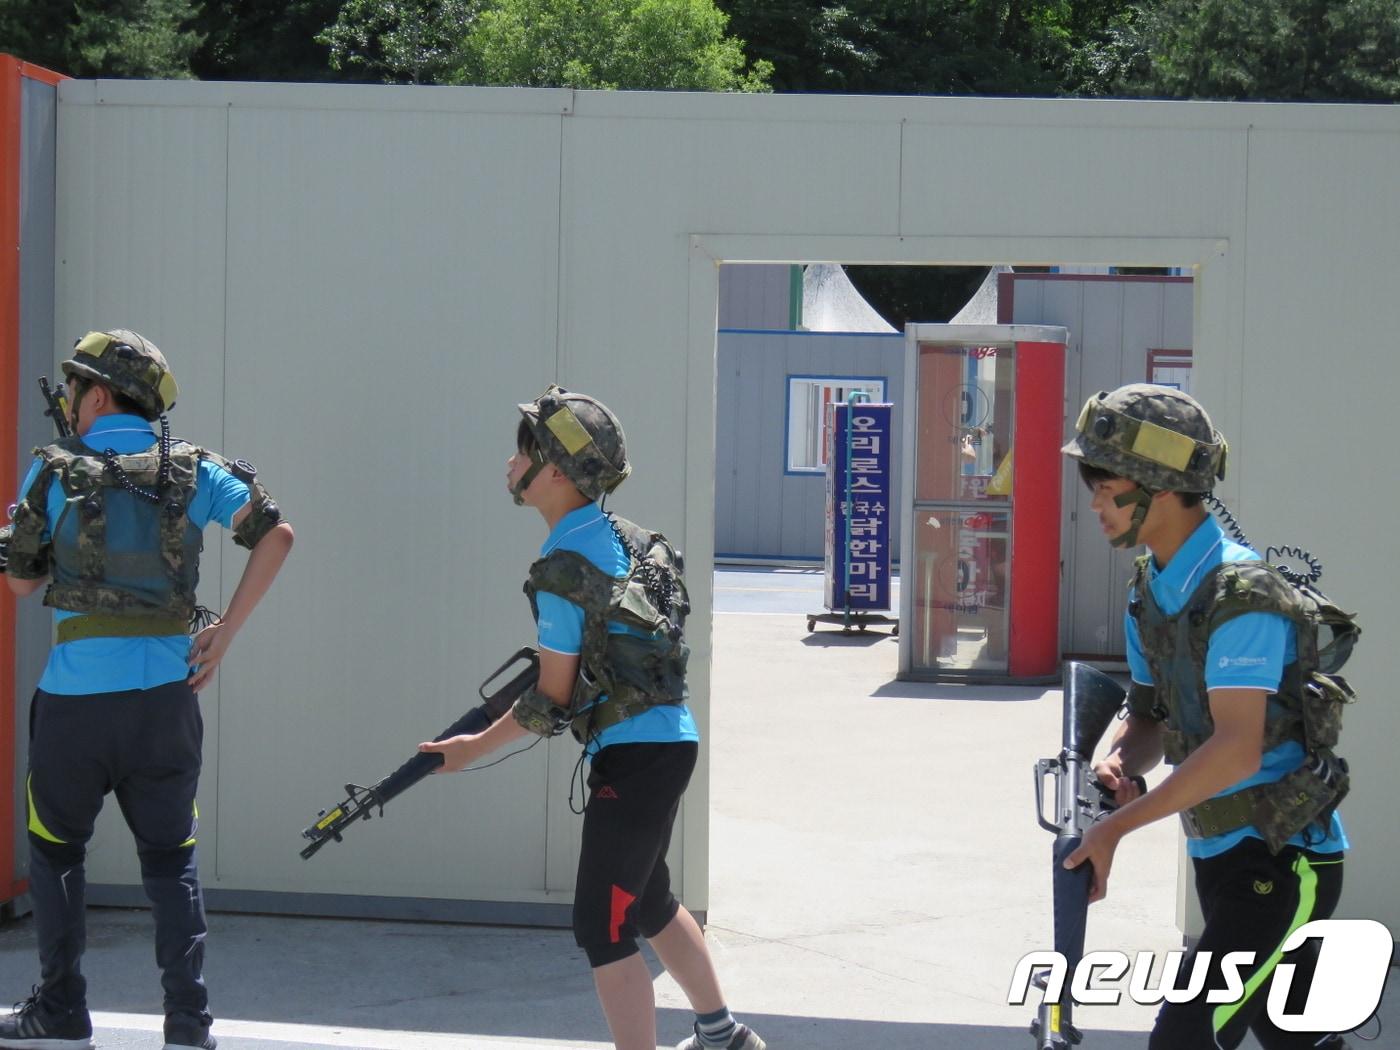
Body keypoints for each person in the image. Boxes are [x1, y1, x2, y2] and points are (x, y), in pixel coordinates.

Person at [418, 385, 764, 1050]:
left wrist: (472, 748)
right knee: (650, 899)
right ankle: (724, 1037)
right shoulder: (633, 541)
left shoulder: (560, 570)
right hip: (669, 743)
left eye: (522, 452)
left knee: (602, 930)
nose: (509, 464)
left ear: (553, 472)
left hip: (633, 761)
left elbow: (550, 700)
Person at [1, 330, 294, 1050]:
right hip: (165, 703)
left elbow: (20, 581)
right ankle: (187, 1024)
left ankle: (63, 1008)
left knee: (57, 849)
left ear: (97, 395)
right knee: (171, 859)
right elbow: (276, 534)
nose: (69, 402)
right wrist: (223, 632)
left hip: (74, 706)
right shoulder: (192, 469)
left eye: (75, 389)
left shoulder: (53, 471)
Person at [1060, 383, 1353, 1050]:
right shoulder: (1150, 590)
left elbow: (1236, 751)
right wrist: (1116, 763)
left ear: (1161, 487)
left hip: (1282, 863)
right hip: (1221, 857)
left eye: (1108, 487)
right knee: (1293, 1038)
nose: (1095, 503)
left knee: (1184, 1040)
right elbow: (1149, 718)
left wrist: (1118, 831)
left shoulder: (1240, 598)